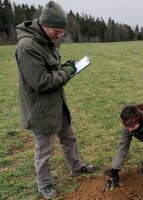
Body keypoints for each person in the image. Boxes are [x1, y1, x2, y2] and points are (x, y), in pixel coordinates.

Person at [15, 1, 97, 199]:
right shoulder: (27, 46)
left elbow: (52, 70)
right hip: (41, 108)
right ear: (47, 25)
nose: (60, 37)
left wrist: (64, 68)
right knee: (44, 149)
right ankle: (44, 185)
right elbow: (41, 82)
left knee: (69, 138)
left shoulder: (48, 40)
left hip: (57, 102)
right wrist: (66, 72)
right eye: (58, 32)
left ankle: (76, 167)